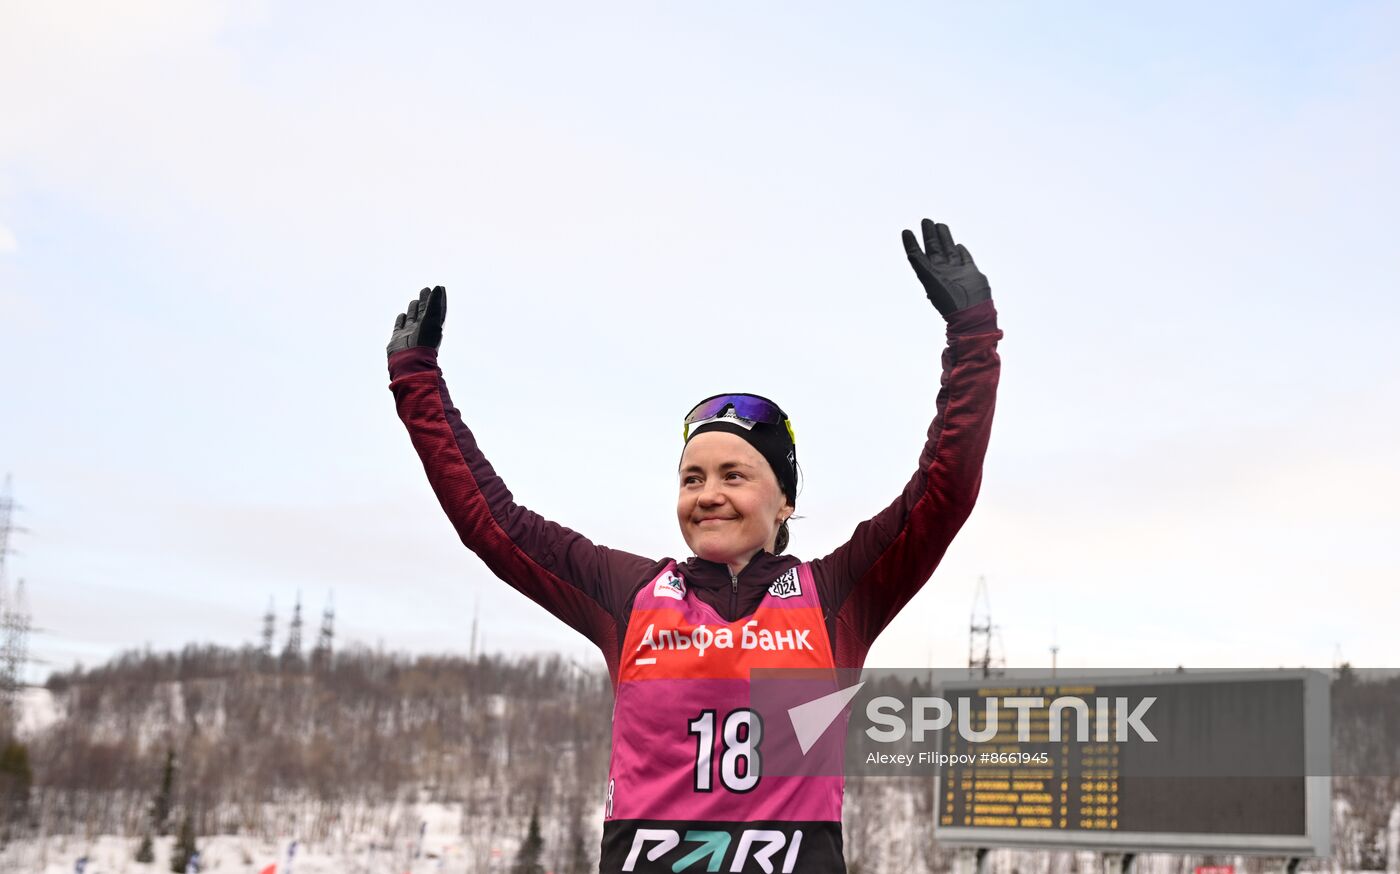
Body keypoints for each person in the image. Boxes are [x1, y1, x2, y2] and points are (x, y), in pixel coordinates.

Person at [386, 218, 1002, 873]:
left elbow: (943, 491)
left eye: (734, 476)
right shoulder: (631, 596)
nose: (708, 495)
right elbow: (495, 524)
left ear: (784, 502)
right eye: (692, 478)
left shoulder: (836, 597)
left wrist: (971, 335)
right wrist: (415, 380)